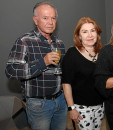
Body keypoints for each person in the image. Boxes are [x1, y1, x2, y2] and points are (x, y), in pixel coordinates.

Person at [5, 1, 67, 130]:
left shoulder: (59, 43)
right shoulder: (24, 41)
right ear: (35, 20)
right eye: (45, 18)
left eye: (53, 18)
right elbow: (11, 70)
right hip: (39, 104)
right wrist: (42, 62)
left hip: (60, 100)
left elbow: (63, 71)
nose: (50, 22)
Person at [61, 17, 104, 130]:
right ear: (79, 36)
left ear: (97, 33)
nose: (90, 35)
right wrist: (71, 108)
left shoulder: (103, 52)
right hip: (82, 107)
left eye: (92, 30)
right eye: (85, 32)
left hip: (100, 105)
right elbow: (66, 83)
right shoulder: (72, 54)